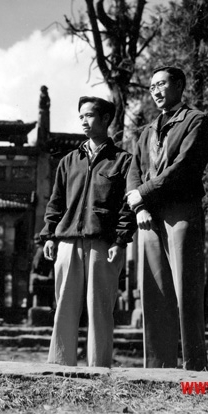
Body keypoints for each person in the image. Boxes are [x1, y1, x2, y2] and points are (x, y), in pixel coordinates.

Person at [126, 65, 208, 370]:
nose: (157, 91)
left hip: (180, 209)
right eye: (152, 87)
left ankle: (194, 365)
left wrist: (145, 193)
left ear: (179, 85)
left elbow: (185, 166)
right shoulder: (147, 131)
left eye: (162, 84)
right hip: (149, 215)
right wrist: (139, 207)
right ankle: (159, 366)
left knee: (186, 288)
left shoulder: (196, 121)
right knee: (154, 290)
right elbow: (133, 171)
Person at [41, 96, 136, 367]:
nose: (83, 120)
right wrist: (49, 235)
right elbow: (55, 202)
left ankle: (100, 368)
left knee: (100, 310)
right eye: (80, 115)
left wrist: (120, 240)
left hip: (103, 244)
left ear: (106, 119)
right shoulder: (69, 161)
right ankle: (60, 366)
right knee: (64, 308)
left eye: (90, 115)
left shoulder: (123, 161)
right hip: (68, 242)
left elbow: (127, 206)